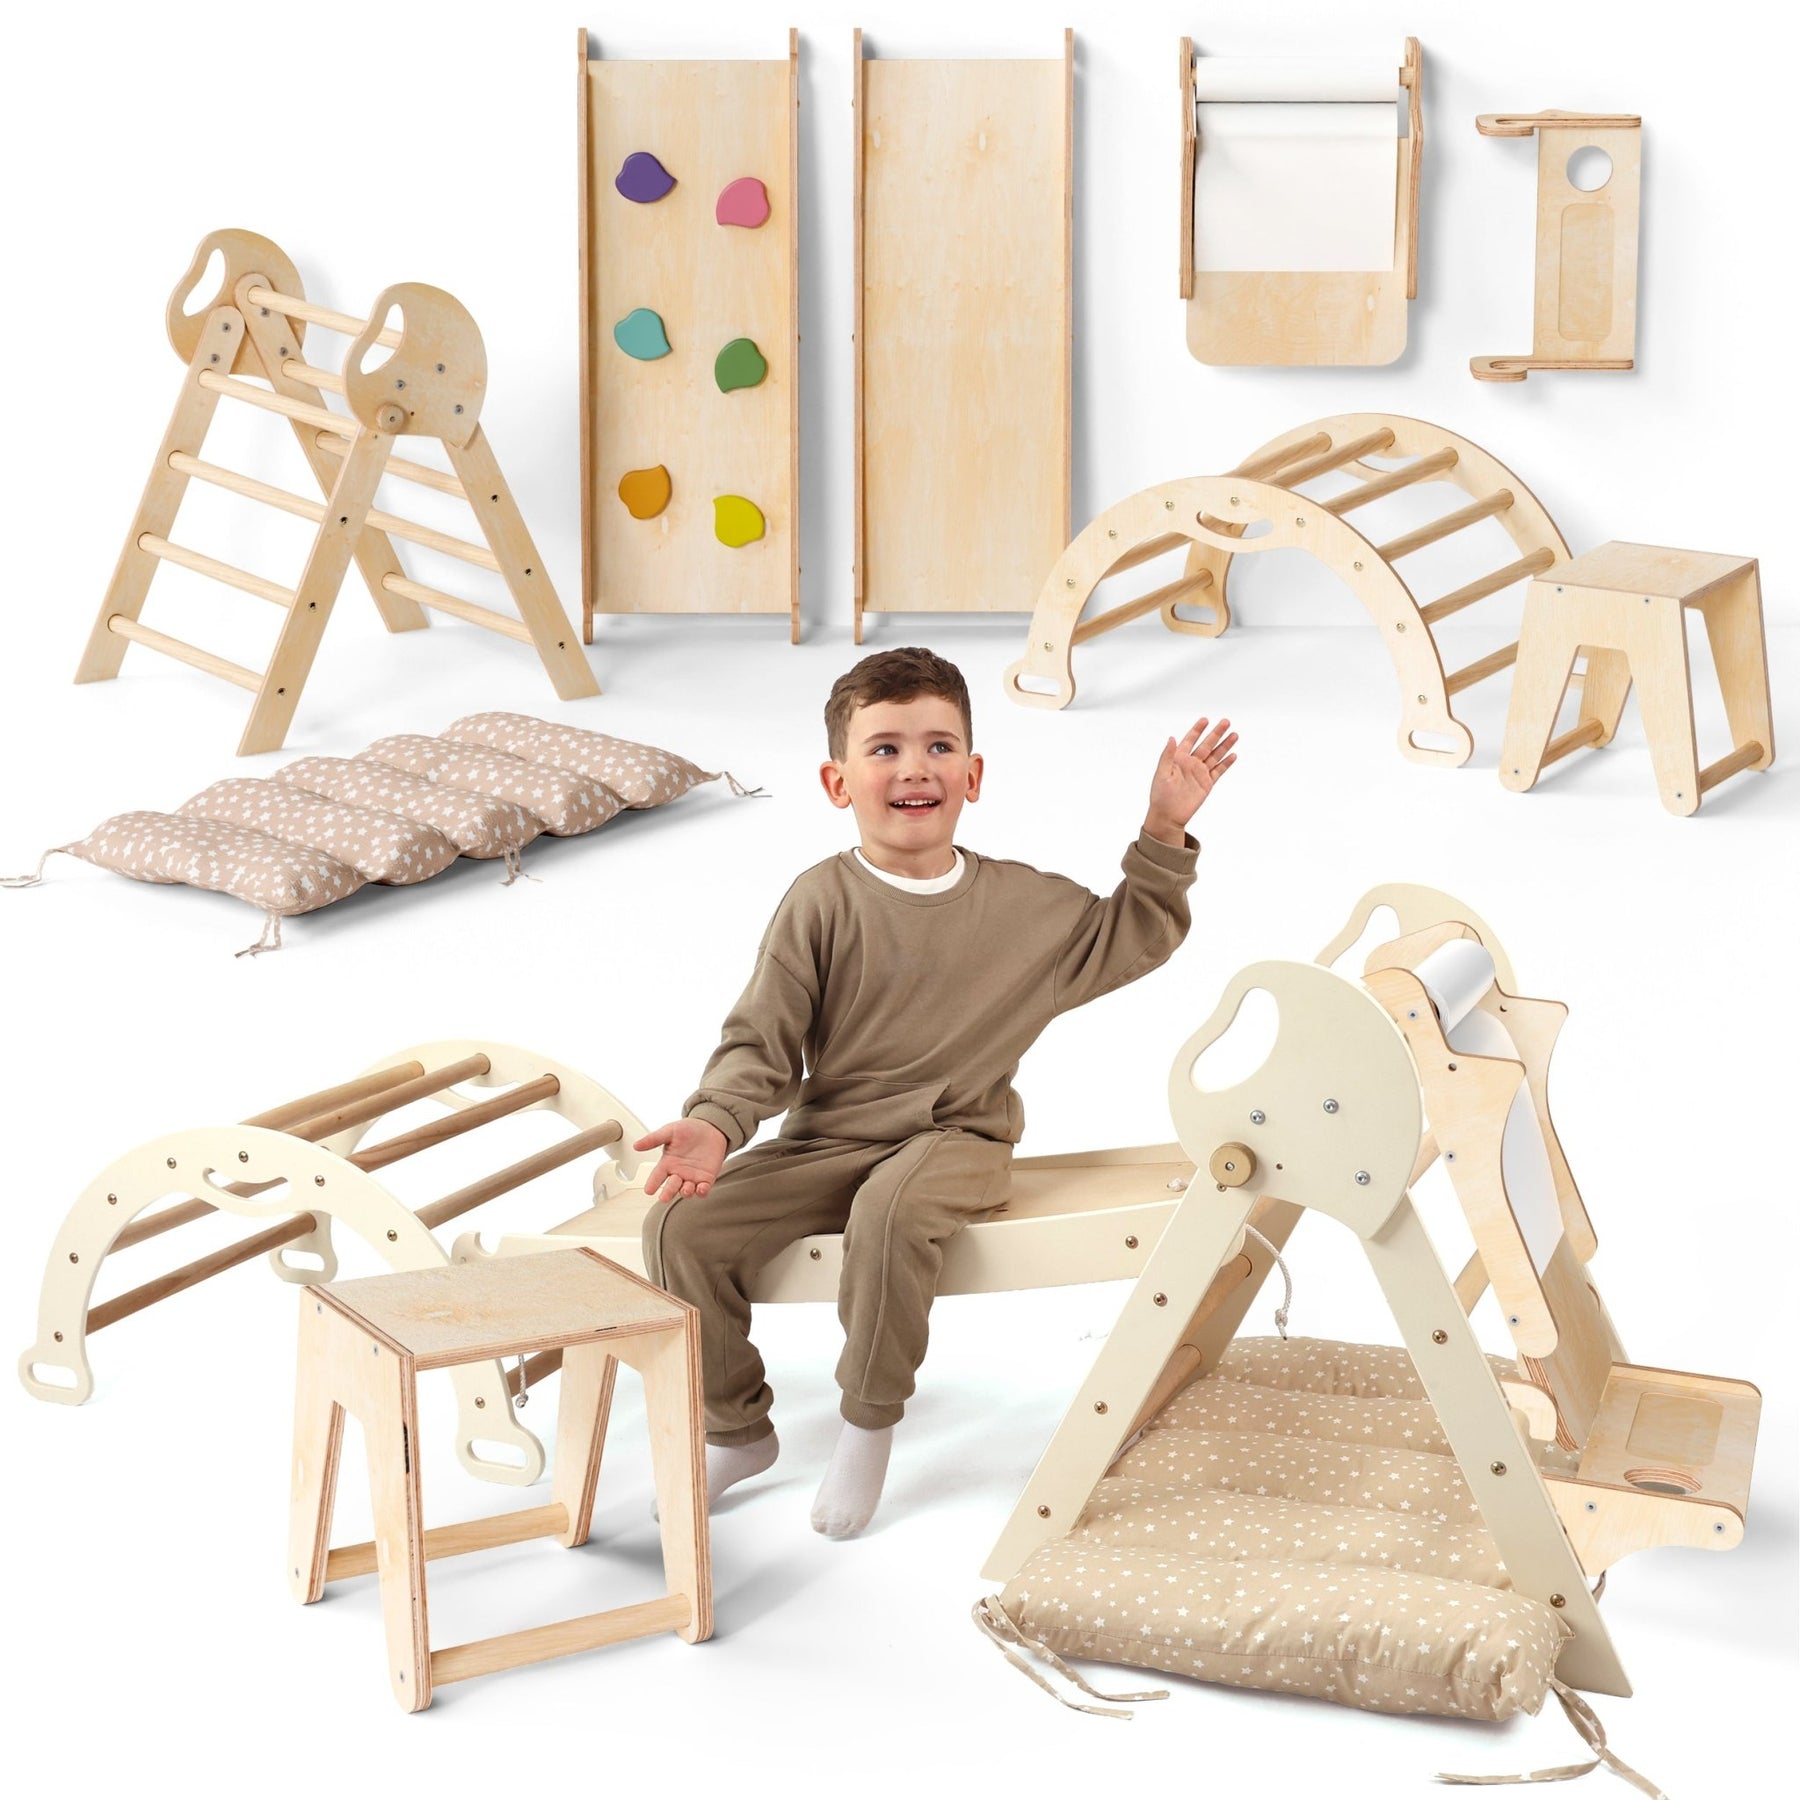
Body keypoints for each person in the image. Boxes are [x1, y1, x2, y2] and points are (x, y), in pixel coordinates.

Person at [637, 647, 1237, 1536]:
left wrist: (1162, 829)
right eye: (884, 749)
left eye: (938, 746)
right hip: (828, 1143)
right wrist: (717, 1125)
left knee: (890, 1210)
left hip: (957, 1141)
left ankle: (866, 1428)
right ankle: (735, 1429)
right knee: (678, 1228)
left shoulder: (1024, 905)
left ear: (973, 775)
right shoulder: (820, 902)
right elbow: (761, 1037)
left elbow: (1131, 934)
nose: (914, 767)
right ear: (838, 782)